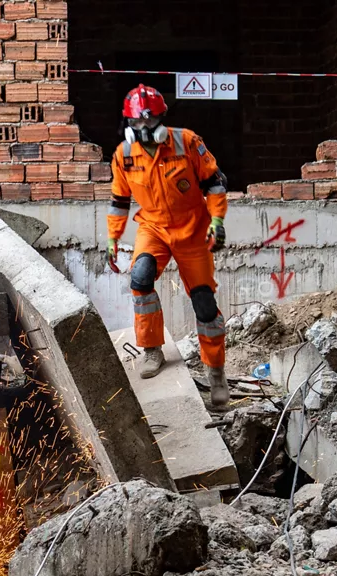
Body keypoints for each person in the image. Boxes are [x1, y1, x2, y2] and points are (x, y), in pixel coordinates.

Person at [106, 83, 231, 407]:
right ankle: (151, 350)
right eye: (138, 124)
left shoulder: (187, 142)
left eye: (150, 122)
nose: (145, 129)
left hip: (193, 228)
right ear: (128, 124)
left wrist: (217, 220)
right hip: (153, 227)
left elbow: (215, 182)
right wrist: (113, 238)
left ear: (162, 117)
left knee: (204, 302)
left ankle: (215, 372)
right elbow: (119, 200)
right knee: (141, 277)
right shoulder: (124, 156)